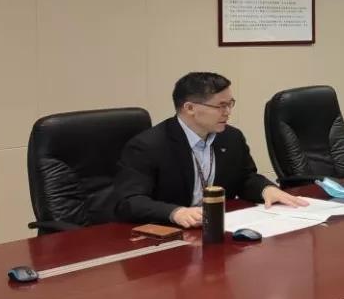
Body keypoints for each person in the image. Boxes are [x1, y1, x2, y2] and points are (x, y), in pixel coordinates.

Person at [113, 72, 306, 227]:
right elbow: (129, 201)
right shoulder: (148, 146)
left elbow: (245, 178)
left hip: (218, 228)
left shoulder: (231, 137)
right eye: (221, 106)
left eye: (230, 104)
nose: (228, 112)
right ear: (190, 108)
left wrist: (266, 189)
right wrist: (175, 212)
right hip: (167, 235)